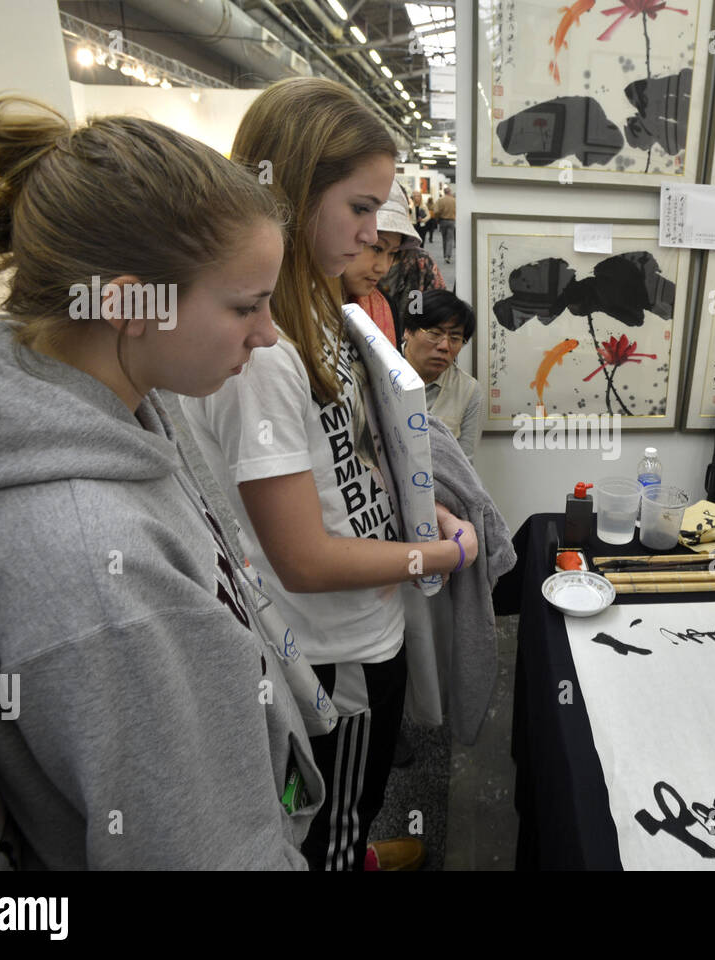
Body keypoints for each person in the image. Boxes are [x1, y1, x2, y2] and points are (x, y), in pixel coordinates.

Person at [0, 96, 323, 868]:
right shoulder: (92, 565)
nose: (268, 333)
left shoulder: (98, 400)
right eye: (245, 305)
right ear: (127, 302)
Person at [180, 77, 479, 873]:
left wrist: (424, 519)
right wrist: (437, 557)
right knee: (325, 824)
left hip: (361, 626)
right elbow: (303, 558)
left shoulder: (318, 315)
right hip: (327, 649)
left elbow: (353, 461)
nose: (373, 234)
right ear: (295, 191)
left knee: (355, 795)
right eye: (359, 208)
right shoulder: (267, 350)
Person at [399, 290, 482, 462]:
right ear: (408, 331)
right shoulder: (376, 373)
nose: (445, 346)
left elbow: (463, 465)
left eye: (455, 338)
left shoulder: (468, 390)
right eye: (435, 334)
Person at [339, 180, 419, 343]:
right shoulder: (297, 311)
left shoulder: (384, 307)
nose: (383, 268)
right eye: (377, 248)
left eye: (393, 254)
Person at [432, 186, 456, 264]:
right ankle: (448, 256)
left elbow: (436, 211)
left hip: (443, 221)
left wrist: (437, 218)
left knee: (444, 239)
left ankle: (445, 255)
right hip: (452, 221)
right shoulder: (454, 200)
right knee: (450, 239)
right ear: (450, 192)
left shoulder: (440, 200)